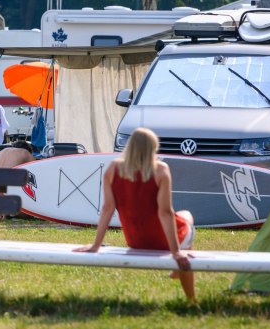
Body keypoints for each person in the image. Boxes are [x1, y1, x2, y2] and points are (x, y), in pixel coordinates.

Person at [75, 127, 196, 302]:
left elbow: (107, 209)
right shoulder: (161, 170)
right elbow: (165, 212)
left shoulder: (113, 169)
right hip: (162, 242)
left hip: (135, 240)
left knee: (183, 217)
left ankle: (180, 267)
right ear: (153, 148)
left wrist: (96, 245)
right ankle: (191, 298)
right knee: (187, 216)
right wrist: (175, 251)